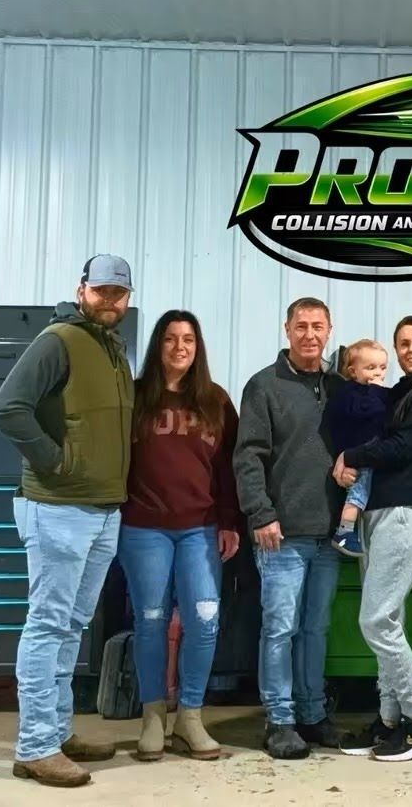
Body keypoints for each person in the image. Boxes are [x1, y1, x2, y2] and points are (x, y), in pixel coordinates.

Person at [0, 255, 135, 789]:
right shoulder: (58, 340)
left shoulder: (111, 346)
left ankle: (56, 732)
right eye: (101, 291)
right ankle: (34, 747)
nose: (111, 301)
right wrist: (56, 461)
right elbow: (8, 408)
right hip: (58, 506)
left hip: (100, 510)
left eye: (119, 293)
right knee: (48, 624)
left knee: (72, 625)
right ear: (81, 290)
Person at [118, 310, 241, 761]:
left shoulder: (215, 401)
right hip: (143, 528)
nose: (180, 347)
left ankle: (190, 716)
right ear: (158, 345)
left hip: (200, 529)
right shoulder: (133, 398)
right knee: (151, 619)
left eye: (188, 339)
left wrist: (230, 521)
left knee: (204, 619)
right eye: (170, 339)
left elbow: (228, 468)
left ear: (198, 346)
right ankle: (153, 716)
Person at [334, 317, 412, 762]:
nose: (411, 349)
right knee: (391, 618)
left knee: (376, 620)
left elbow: (402, 447)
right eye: (403, 343)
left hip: (407, 512)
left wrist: (350, 455)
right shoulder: (399, 390)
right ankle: (389, 721)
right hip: (379, 513)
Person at [234, 296, 345, 760]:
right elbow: (248, 456)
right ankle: (279, 720)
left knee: (315, 628)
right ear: (287, 330)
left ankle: (312, 713)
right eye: (301, 326)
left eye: (317, 326)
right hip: (281, 533)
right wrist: (260, 513)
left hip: (330, 535)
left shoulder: (340, 388)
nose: (309, 335)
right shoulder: (263, 386)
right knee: (280, 628)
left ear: (329, 330)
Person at [325, 340, 391, 558]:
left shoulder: (368, 392)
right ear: (353, 371)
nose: (377, 373)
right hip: (359, 452)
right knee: (358, 490)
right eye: (370, 368)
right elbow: (368, 412)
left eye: (382, 368)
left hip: (370, 451)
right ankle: (344, 531)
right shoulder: (352, 393)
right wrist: (376, 391)